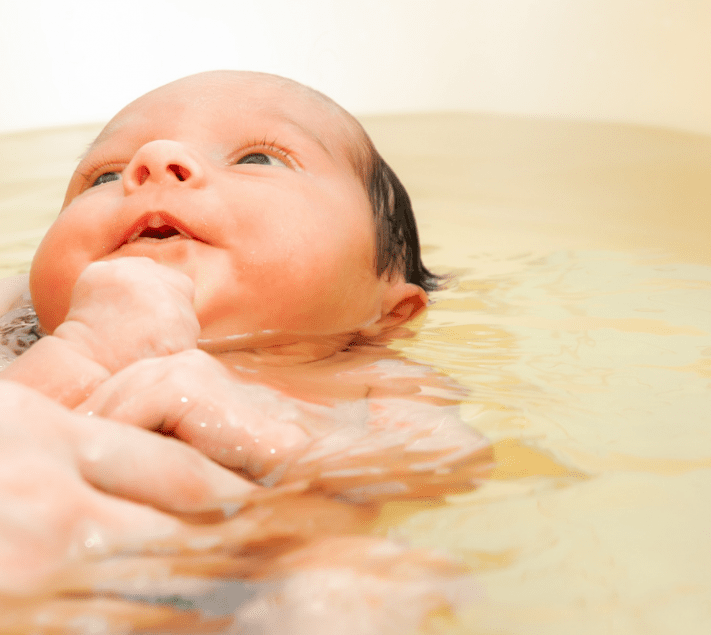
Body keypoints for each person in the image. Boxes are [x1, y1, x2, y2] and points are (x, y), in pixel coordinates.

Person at [0, 71, 490, 591]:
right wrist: (83, 351)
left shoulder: (371, 376)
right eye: (102, 176)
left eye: (257, 159)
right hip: (54, 576)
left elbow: (443, 467)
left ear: (389, 308)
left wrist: (275, 440)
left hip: (259, 578)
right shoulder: (19, 329)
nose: (155, 160)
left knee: (363, 579)